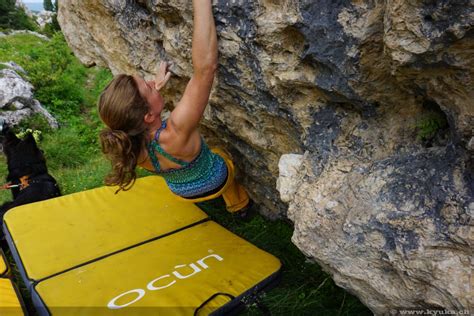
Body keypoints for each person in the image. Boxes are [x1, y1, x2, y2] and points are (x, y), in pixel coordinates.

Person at [97, 0, 250, 214]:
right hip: (216, 181)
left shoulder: (128, 145)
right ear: (148, 115)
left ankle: (230, 204)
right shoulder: (177, 129)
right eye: (148, 87)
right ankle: (238, 204)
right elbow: (205, 69)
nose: (152, 83)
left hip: (182, 191)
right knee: (221, 153)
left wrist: (155, 91)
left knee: (193, 158)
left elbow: (146, 120)